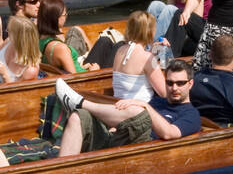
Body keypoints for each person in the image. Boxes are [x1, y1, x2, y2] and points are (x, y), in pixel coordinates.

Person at [52, 60, 201, 156]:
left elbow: (169, 133)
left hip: (143, 149)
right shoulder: (158, 102)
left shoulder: (192, 115)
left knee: (140, 111)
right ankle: (59, 173)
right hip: (119, 139)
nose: (174, 88)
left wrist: (145, 106)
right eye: (169, 83)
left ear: (190, 84)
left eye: (180, 83)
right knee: (78, 117)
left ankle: (81, 102)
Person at [110, 11, 168, 102]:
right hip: (140, 110)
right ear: (150, 32)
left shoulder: (120, 51)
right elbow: (164, 93)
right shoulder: (147, 58)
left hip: (118, 105)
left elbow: (136, 64)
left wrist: (153, 52)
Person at [36, 0, 99, 74]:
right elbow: (74, 79)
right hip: (88, 79)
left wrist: (80, 67)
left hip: (81, 71)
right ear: (55, 18)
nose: (66, 17)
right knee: (109, 43)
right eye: (65, 14)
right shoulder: (61, 48)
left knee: (105, 41)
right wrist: (94, 71)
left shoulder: (40, 40)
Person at [0, 15, 43, 84]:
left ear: (18, 37)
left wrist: (5, 75)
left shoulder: (30, 69)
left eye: (9, 30)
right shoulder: (10, 42)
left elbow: (19, 93)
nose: (7, 32)